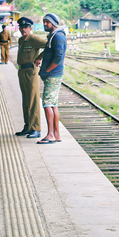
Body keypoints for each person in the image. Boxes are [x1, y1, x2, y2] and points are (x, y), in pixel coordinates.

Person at [37, 13, 67, 144]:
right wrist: (40, 57)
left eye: (47, 22)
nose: (45, 24)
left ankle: (50, 135)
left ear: (54, 23)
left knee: (47, 103)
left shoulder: (58, 37)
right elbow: (49, 50)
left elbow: (58, 57)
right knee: (53, 104)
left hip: (53, 75)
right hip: (52, 75)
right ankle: (57, 134)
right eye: (44, 21)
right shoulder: (53, 36)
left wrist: (47, 70)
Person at [14, 17, 47, 139]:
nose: (23, 30)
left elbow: (48, 46)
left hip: (31, 72)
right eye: (21, 28)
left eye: (25, 28)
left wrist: (39, 57)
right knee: (25, 100)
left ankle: (36, 128)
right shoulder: (21, 40)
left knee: (33, 100)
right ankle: (27, 126)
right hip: (22, 70)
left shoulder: (34, 39)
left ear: (30, 28)